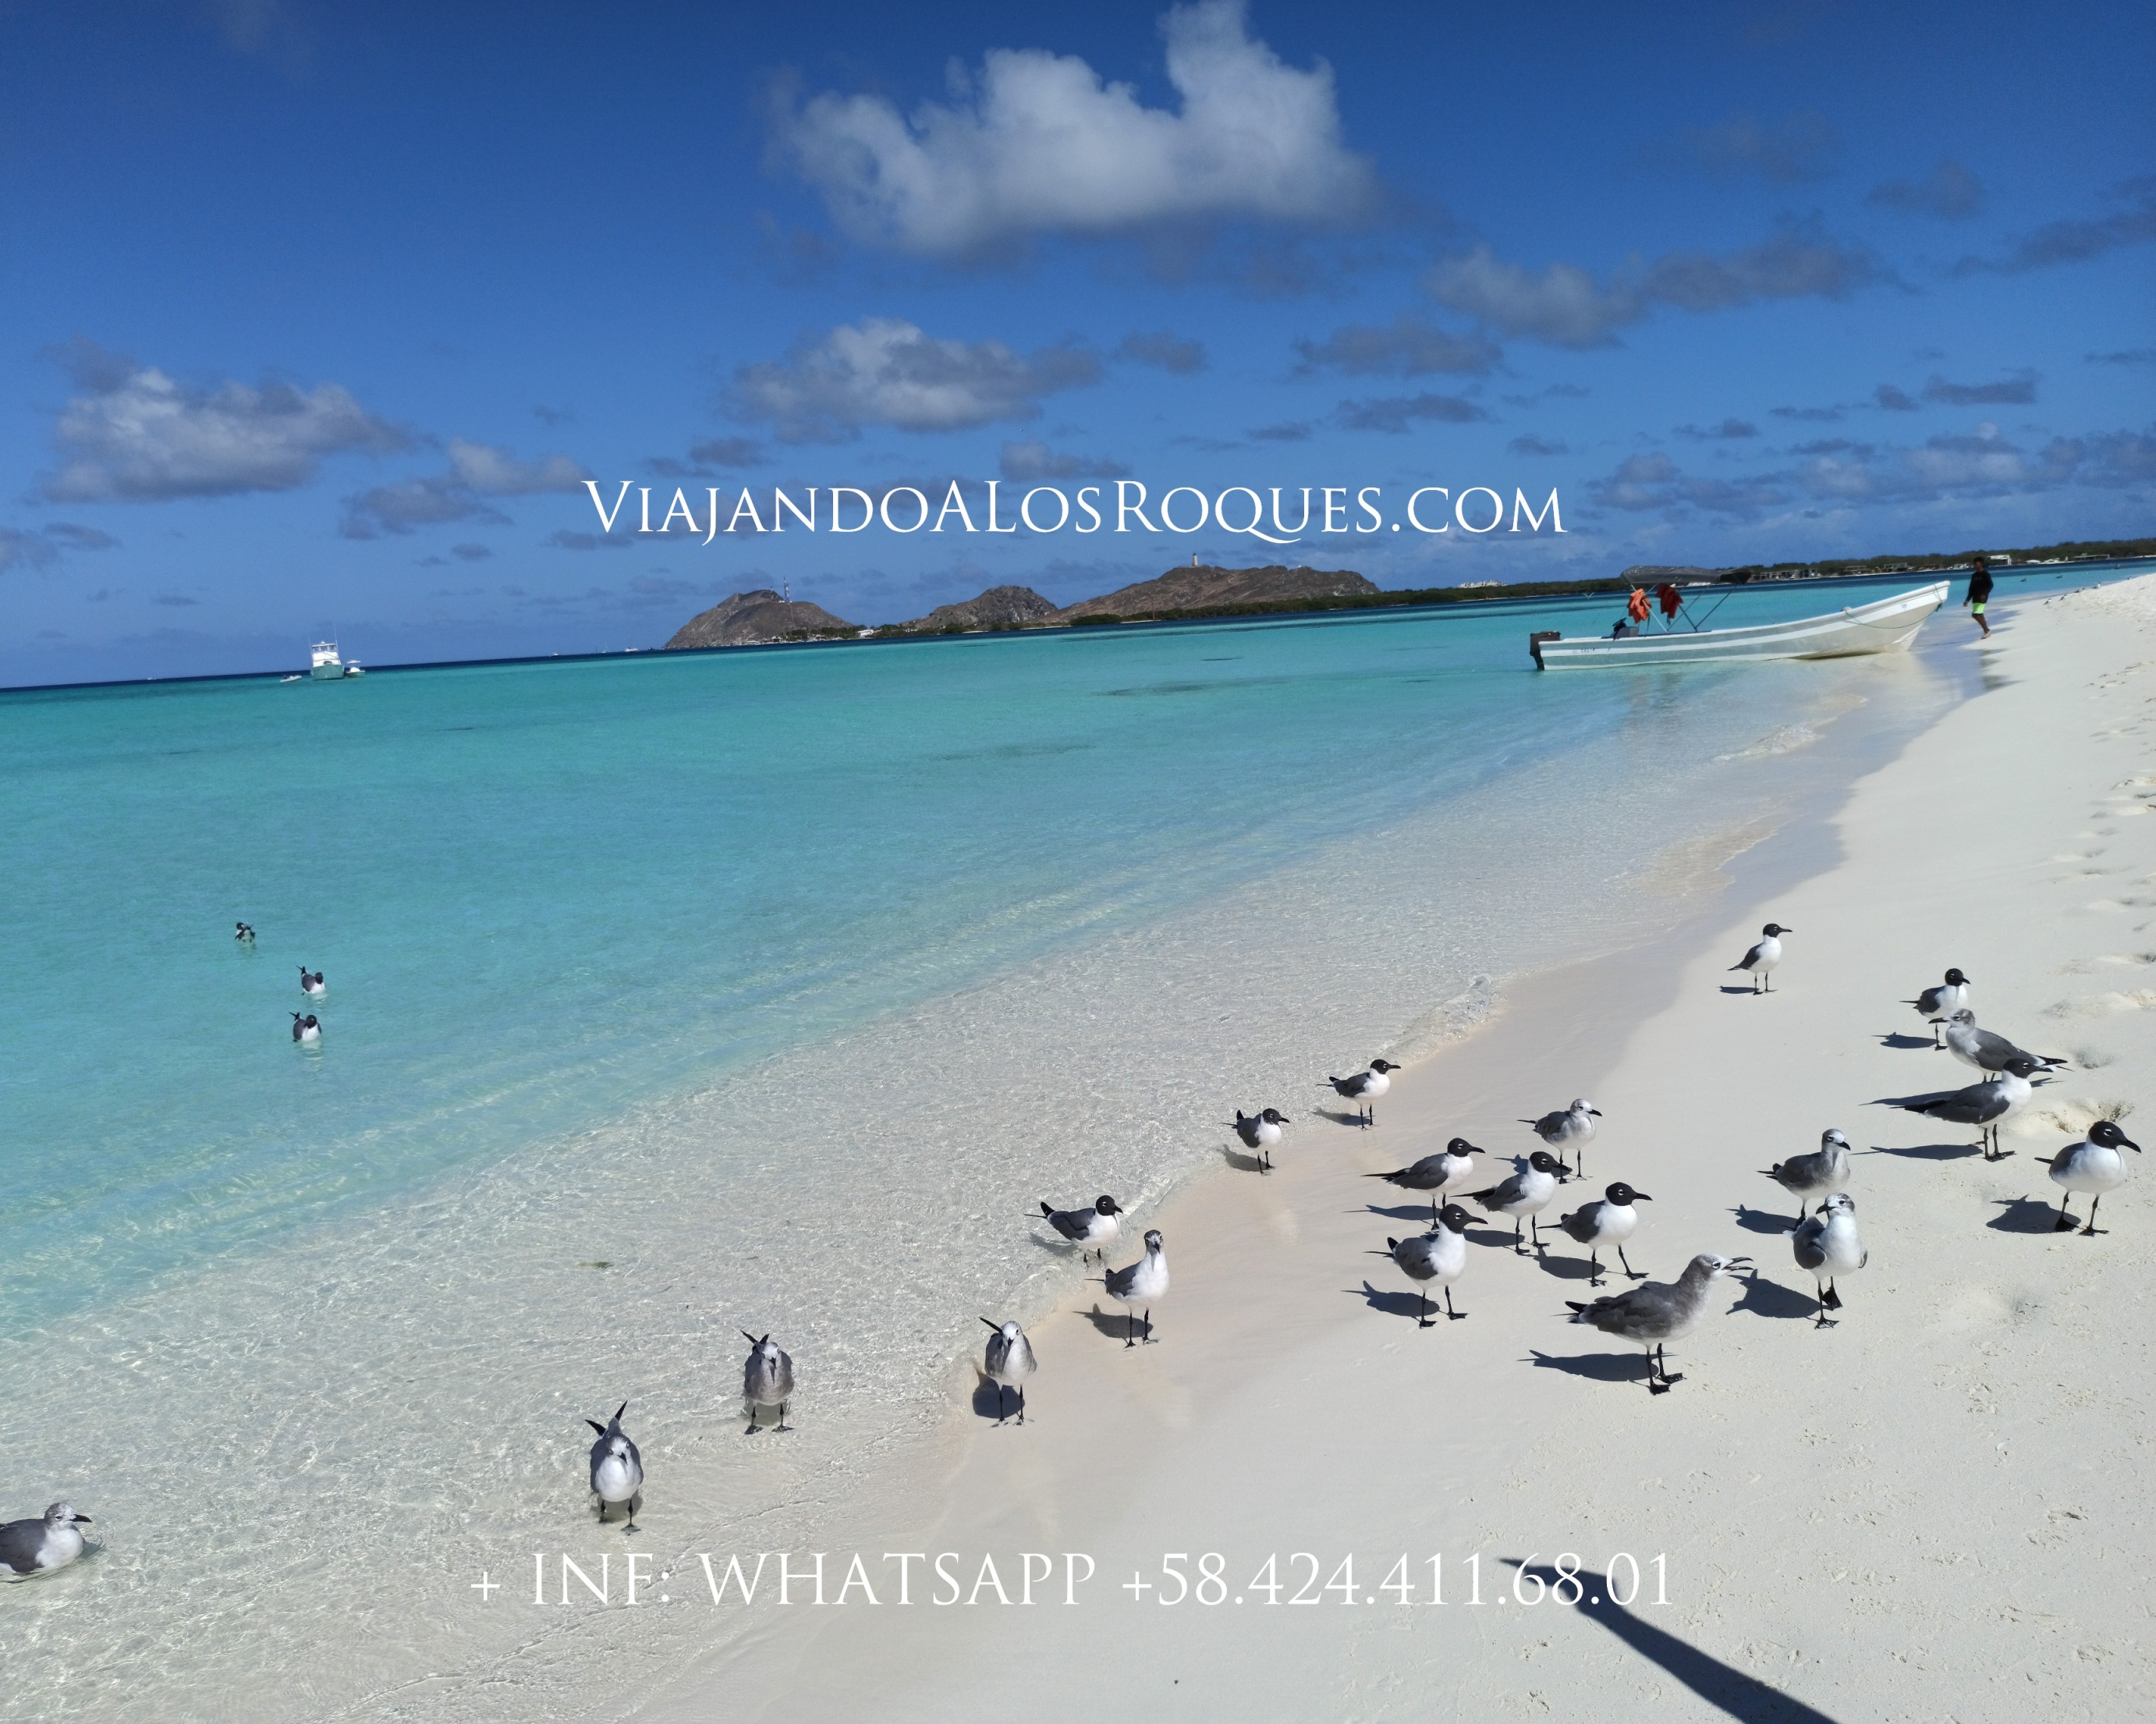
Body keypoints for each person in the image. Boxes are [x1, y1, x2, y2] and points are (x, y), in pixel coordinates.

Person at [1965, 556, 1994, 638]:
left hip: (1982, 598)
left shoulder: (1985, 574)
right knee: (1980, 615)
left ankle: (1987, 630)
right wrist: (1967, 600)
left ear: (1981, 564)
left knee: (1975, 615)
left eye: (1976, 564)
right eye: (1974, 564)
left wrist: (1985, 594)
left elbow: (1991, 585)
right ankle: (1986, 632)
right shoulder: (1974, 575)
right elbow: (1971, 589)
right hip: (1975, 597)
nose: (1974, 565)